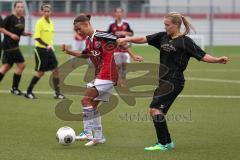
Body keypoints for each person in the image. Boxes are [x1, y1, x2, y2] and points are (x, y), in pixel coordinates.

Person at [118, 11, 229, 151]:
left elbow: (203, 56)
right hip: (163, 81)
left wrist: (218, 60)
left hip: (174, 81)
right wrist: (126, 39)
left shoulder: (185, 41)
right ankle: (168, 142)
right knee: (159, 113)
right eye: (164, 24)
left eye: (167, 25)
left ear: (176, 25)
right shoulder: (162, 36)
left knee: (154, 109)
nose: (165, 27)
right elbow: (143, 39)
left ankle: (162, 143)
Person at [62, 14, 142, 146]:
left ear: (86, 24)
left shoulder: (101, 35)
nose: (78, 32)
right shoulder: (90, 40)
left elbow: (119, 40)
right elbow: (84, 54)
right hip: (103, 75)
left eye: (79, 28)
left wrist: (133, 55)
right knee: (92, 105)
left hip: (107, 74)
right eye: (76, 30)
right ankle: (98, 137)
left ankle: (87, 132)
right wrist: (69, 52)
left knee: (85, 100)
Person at [24, 4, 64, 99]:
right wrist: (47, 45)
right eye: (44, 11)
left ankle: (57, 93)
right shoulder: (39, 23)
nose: (46, 13)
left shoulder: (51, 22)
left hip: (49, 50)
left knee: (56, 70)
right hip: (40, 50)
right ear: (42, 12)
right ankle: (28, 92)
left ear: (51, 12)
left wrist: (50, 45)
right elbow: (37, 37)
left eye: (48, 11)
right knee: (40, 72)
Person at [0, 1, 32, 95]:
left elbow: (20, 32)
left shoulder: (22, 19)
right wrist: (11, 35)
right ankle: (14, 88)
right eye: (18, 7)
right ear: (15, 8)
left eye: (22, 7)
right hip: (9, 45)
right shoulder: (9, 18)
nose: (20, 8)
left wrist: (25, 34)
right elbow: (1, 29)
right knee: (22, 65)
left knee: (6, 66)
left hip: (14, 45)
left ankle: (14, 88)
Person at [107, 7, 135, 87]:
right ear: (115, 13)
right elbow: (107, 35)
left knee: (125, 65)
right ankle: (118, 81)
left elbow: (131, 33)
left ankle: (123, 80)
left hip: (125, 47)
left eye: (120, 12)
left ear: (122, 13)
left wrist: (124, 32)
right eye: (117, 12)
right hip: (116, 47)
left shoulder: (126, 24)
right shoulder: (111, 24)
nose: (119, 14)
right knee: (118, 65)